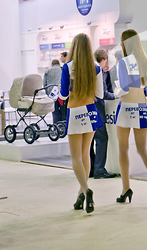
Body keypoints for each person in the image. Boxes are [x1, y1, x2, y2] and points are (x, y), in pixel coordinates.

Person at [114, 29, 147, 206]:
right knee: (142, 150)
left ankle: (126, 188)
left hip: (126, 107)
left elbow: (124, 89)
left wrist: (116, 91)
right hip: (142, 107)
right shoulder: (146, 61)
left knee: (123, 149)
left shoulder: (124, 62)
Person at [58, 33, 104, 214]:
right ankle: (81, 195)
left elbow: (63, 94)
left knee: (76, 157)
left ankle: (86, 190)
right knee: (86, 154)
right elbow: (100, 95)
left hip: (75, 112)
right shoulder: (96, 68)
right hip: (91, 111)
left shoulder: (68, 67)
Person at [90, 49, 117, 179]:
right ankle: (99, 170)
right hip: (96, 109)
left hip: (85, 108)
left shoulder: (87, 67)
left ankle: (90, 169)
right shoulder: (97, 70)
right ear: (104, 59)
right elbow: (102, 93)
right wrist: (117, 96)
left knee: (89, 140)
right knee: (101, 138)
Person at [43, 59, 64, 124]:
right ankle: (63, 126)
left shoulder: (47, 71)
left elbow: (44, 84)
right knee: (63, 110)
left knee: (55, 111)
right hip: (62, 93)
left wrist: (47, 93)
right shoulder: (63, 69)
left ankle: (56, 127)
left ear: (52, 65)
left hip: (52, 94)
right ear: (59, 64)